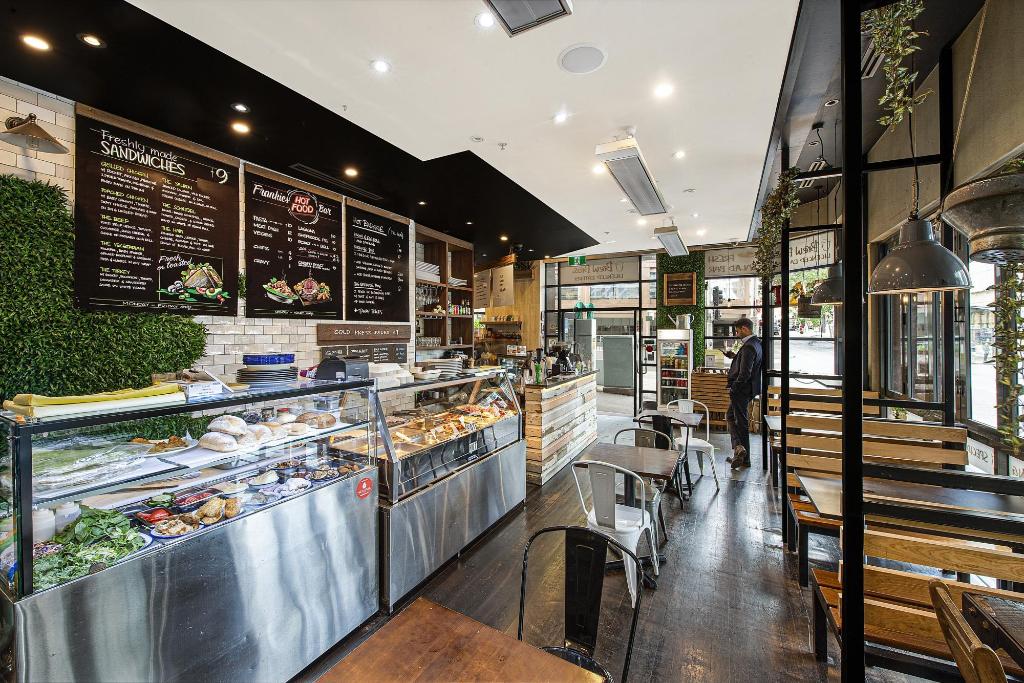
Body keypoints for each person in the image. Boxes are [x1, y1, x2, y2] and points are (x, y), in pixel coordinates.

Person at [723, 317, 763, 469]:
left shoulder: (748, 347)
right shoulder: (757, 343)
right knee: (731, 416)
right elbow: (749, 363)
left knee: (741, 423)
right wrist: (734, 356)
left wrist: (734, 388)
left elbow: (745, 373)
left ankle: (744, 457)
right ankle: (739, 450)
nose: (737, 333)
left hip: (741, 391)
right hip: (749, 389)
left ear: (745, 329)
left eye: (738, 331)